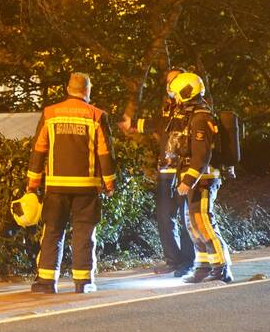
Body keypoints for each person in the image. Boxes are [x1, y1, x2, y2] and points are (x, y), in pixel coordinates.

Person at [26, 72, 117, 294]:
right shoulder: (96, 115)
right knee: (84, 233)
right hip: (86, 187)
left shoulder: (50, 113)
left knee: (53, 231)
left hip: (56, 187)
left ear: (68, 88)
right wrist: (109, 183)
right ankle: (83, 282)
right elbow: (105, 153)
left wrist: (32, 184)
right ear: (87, 91)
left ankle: (46, 283)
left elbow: (39, 149)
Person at [118, 67, 195, 276]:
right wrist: (132, 124)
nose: (171, 85)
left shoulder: (192, 107)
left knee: (186, 216)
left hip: (183, 171)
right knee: (163, 215)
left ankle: (188, 262)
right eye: (168, 82)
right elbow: (157, 125)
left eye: (175, 80)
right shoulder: (167, 107)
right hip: (165, 169)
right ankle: (173, 260)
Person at [165, 72, 233, 283]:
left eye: (177, 94)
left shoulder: (201, 117)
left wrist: (188, 180)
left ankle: (221, 266)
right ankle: (203, 266)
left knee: (203, 222)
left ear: (186, 92)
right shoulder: (191, 115)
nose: (174, 98)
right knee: (192, 224)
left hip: (203, 178)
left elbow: (202, 154)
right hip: (193, 177)